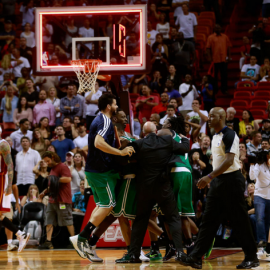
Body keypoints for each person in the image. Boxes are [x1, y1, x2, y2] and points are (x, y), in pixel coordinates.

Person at [179, 107, 259, 269]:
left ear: (222, 117)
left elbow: (229, 161)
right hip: (218, 182)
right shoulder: (214, 136)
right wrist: (213, 179)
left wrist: (209, 176)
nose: (209, 118)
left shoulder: (230, 134)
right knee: (209, 220)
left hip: (232, 180)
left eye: (212, 116)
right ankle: (195, 257)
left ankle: (252, 257)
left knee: (240, 220)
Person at [69, 93, 135, 262]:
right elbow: (98, 142)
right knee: (109, 205)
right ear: (108, 106)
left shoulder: (100, 120)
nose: (117, 108)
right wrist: (119, 152)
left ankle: (89, 245)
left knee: (104, 207)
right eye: (115, 105)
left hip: (98, 170)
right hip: (100, 171)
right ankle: (82, 237)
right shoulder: (105, 120)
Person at [120, 121, 189, 263]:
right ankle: (180, 253)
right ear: (156, 131)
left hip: (144, 187)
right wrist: (184, 137)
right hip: (162, 186)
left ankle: (133, 255)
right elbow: (184, 148)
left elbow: (124, 157)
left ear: (144, 133)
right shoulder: (167, 140)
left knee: (140, 220)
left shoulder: (138, 144)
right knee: (173, 218)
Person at [0, 127, 31, 253]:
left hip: (1, 179)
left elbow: (10, 165)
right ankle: (20, 234)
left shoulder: (3, 144)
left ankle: (19, 234)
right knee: (1, 216)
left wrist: (9, 185)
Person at [39, 152, 74, 249]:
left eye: (48, 161)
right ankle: (48, 242)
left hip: (63, 199)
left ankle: (74, 241)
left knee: (67, 220)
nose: (47, 163)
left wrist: (56, 179)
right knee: (49, 220)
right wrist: (44, 192)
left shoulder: (63, 166)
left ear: (53, 157)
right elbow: (52, 184)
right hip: (52, 199)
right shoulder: (52, 169)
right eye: (45, 161)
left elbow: (68, 179)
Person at [249, 150, 270, 247]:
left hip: (269, 197)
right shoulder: (258, 166)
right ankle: (262, 240)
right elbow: (252, 176)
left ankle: (266, 242)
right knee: (259, 218)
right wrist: (252, 164)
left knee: (267, 220)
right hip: (259, 196)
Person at [206, 25, 232, 94]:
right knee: (214, 76)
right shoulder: (210, 37)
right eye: (216, 27)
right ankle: (215, 89)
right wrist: (209, 57)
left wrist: (229, 56)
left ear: (221, 28)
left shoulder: (225, 36)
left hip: (223, 59)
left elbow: (229, 46)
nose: (218, 29)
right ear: (214, 28)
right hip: (215, 60)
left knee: (224, 75)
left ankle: (224, 89)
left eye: (219, 27)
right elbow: (208, 48)